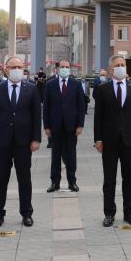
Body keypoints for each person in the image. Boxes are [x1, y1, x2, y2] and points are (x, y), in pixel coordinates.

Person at [0, 57, 42, 228]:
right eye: (13, 67)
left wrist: (36, 139)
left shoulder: (31, 89)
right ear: (6, 69)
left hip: (23, 142)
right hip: (2, 142)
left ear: (24, 68)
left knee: (24, 179)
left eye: (19, 67)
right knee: (1, 179)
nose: (16, 69)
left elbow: (36, 116)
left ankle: (26, 213)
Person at [93, 55, 131, 227]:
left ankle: (129, 213)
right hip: (109, 140)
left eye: (123, 64)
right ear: (110, 70)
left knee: (128, 178)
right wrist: (97, 139)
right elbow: (97, 116)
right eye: (117, 65)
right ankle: (109, 213)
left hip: (130, 139)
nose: (121, 67)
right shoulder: (102, 89)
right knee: (109, 180)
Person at [43, 60, 86, 192]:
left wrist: (80, 125)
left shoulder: (76, 84)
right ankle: (54, 182)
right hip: (55, 126)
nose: (65, 69)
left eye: (67, 67)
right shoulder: (50, 84)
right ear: (57, 69)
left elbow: (81, 106)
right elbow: (46, 107)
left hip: (71, 127)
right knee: (55, 155)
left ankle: (72, 182)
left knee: (71, 156)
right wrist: (47, 126)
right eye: (62, 67)